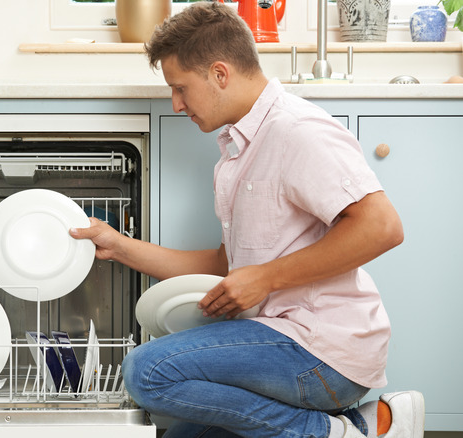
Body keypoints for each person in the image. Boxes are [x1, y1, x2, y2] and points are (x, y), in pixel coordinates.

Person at [69, 3, 424, 438]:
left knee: (147, 371)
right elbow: (226, 265)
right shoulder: (238, 150)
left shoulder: (296, 131)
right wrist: (119, 245)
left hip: (320, 350)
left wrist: (266, 278)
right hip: (274, 338)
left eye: (180, 88)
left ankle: (335, 433)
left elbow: (383, 227)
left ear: (220, 74)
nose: (177, 104)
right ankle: (368, 424)